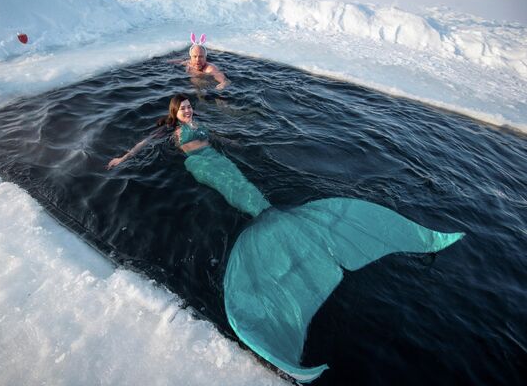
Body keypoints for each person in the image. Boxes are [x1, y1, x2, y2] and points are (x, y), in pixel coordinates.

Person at [106, 94, 463, 382]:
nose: (187, 110)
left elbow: (214, 139)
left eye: (188, 106)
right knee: (235, 190)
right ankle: (265, 218)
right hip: (201, 166)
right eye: (182, 108)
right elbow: (142, 144)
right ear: (174, 112)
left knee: (244, 186)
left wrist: (234, 140)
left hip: (218, 158)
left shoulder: (199, 123)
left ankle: (267, 217)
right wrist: (123, 156)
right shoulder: (171, 132)